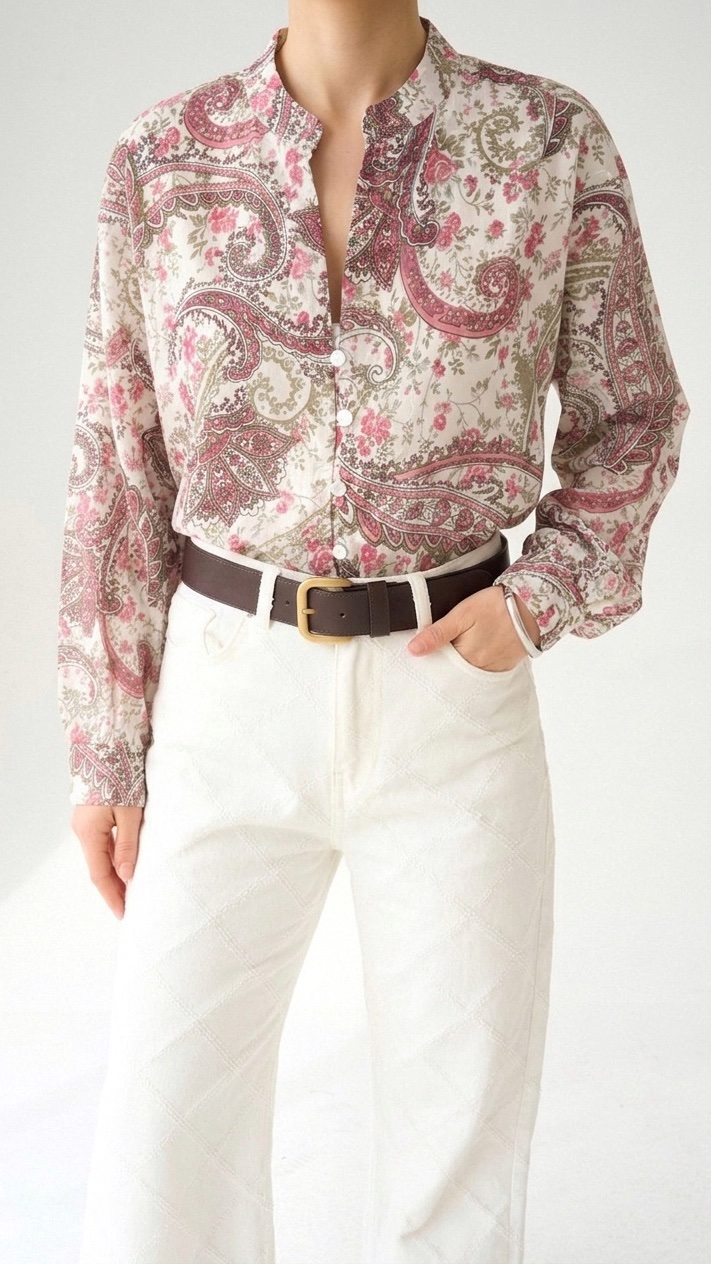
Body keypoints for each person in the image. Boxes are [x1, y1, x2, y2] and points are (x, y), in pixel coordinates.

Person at [57, 3, 690, 1261]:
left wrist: (539, 598)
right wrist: (105, 747)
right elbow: (116, 467)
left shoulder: (546, 139)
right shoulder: (162, 158)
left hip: (449, 695)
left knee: (459, 1136)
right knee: (164, 1131)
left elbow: (636, 415)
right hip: (226, 693)